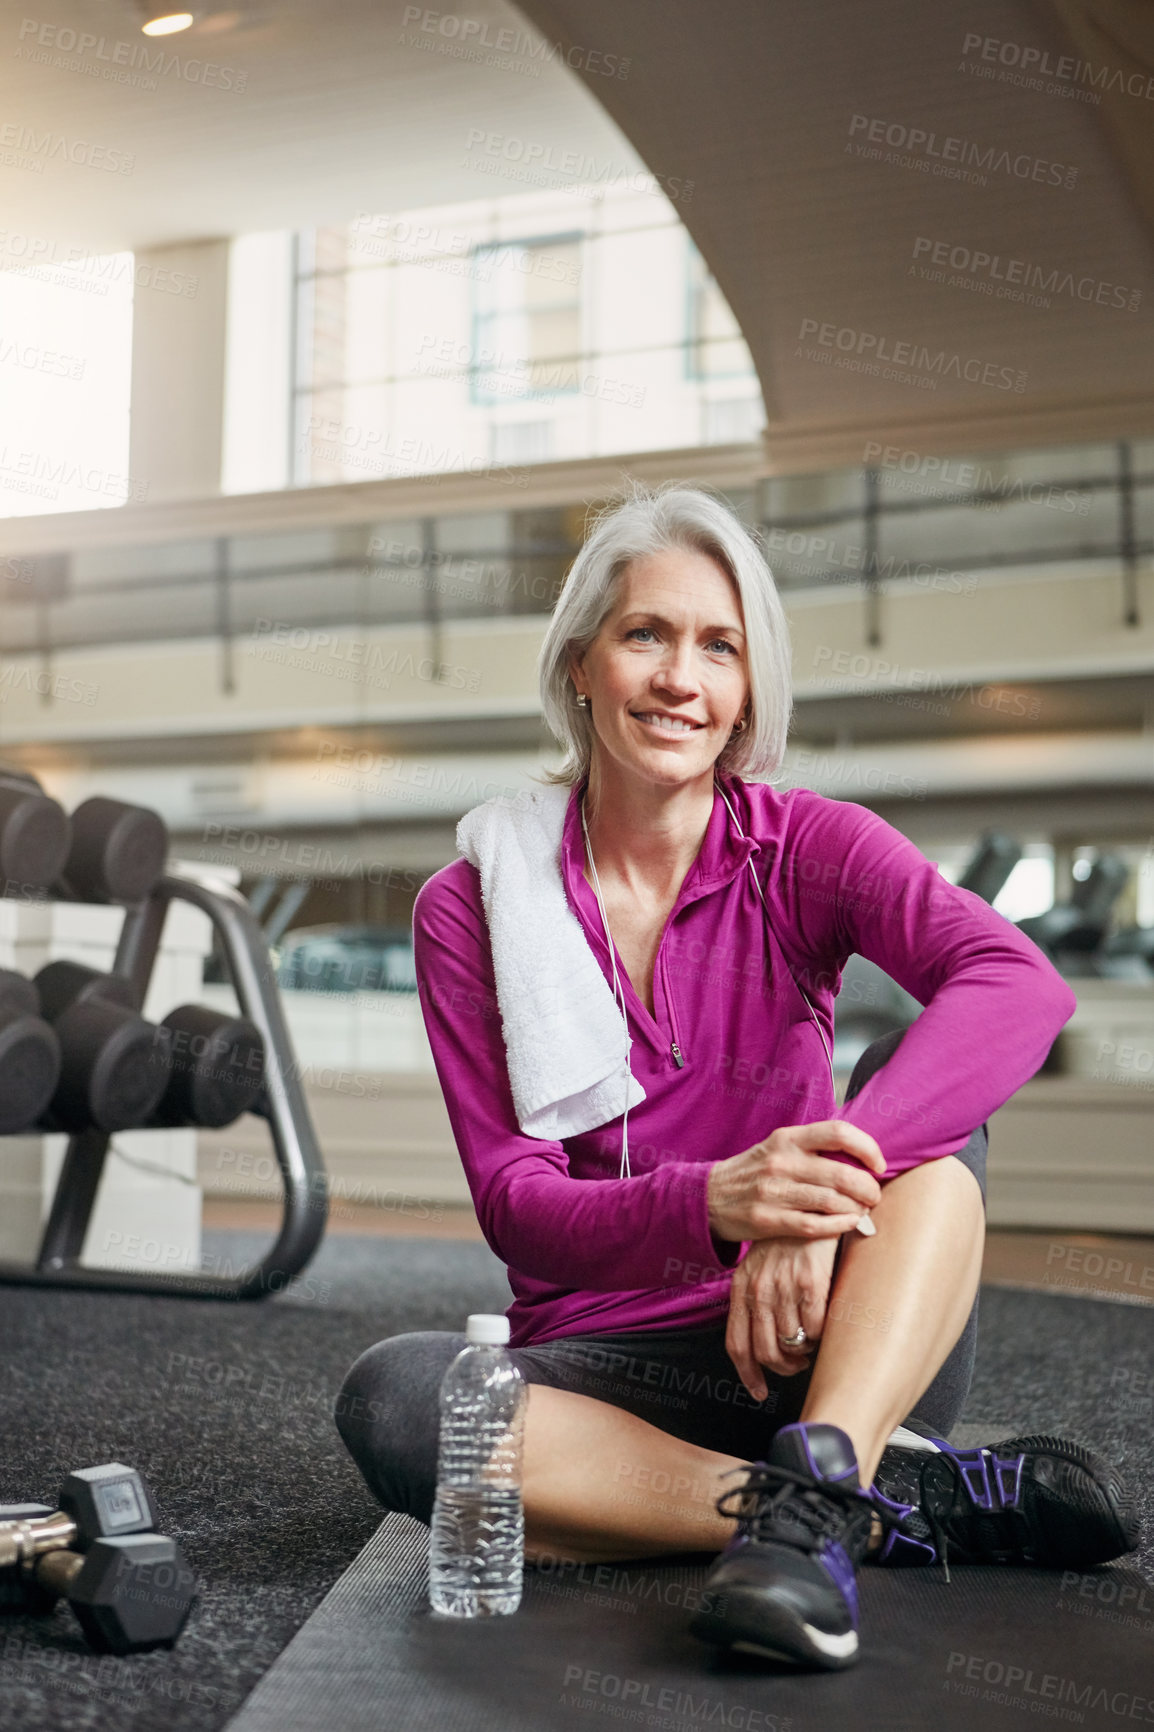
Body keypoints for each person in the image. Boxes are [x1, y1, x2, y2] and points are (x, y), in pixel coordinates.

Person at [336, 482, 1138, 1670]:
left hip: (827, 1342)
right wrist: (720, 1201)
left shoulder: (804, 845)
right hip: (607, 1372)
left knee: (909, 1093)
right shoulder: (472, 905)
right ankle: (848, 1508)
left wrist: (806, 1209)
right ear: (579, 666)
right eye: (644, 635)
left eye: (719, 647)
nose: (680, 678)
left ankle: (831, 1455)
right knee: (399, 1399)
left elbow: (1015, 985)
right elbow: (518, 1206)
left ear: (747, 690)